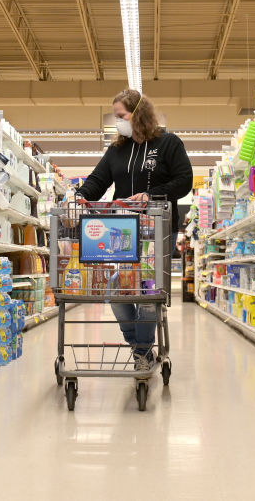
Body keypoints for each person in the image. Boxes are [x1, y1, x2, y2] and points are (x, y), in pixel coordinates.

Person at [75, 89, 193, 371]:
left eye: (121, 116)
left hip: (159, 229)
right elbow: (98, 179)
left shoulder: (168, 143)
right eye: (116, 117)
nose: (118, 122)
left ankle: (141, 354)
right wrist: (81, 195)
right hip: (122, 232)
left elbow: (184, 180)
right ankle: (138, 347)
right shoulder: (117, 149)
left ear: (138, 113)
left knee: (149, 294)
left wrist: (150, 194)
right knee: (119, 292)